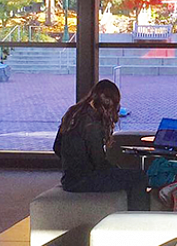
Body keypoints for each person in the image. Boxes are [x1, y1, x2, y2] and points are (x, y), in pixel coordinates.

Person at [53, 79, 150, 210]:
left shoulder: (73, 112)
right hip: (83, 180)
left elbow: (56, 147)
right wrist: (117, 170)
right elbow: (99, 163)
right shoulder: (91, 123)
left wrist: (73, 161)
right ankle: (139, 221)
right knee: (139, 177)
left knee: (125, 175)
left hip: (69, 179)